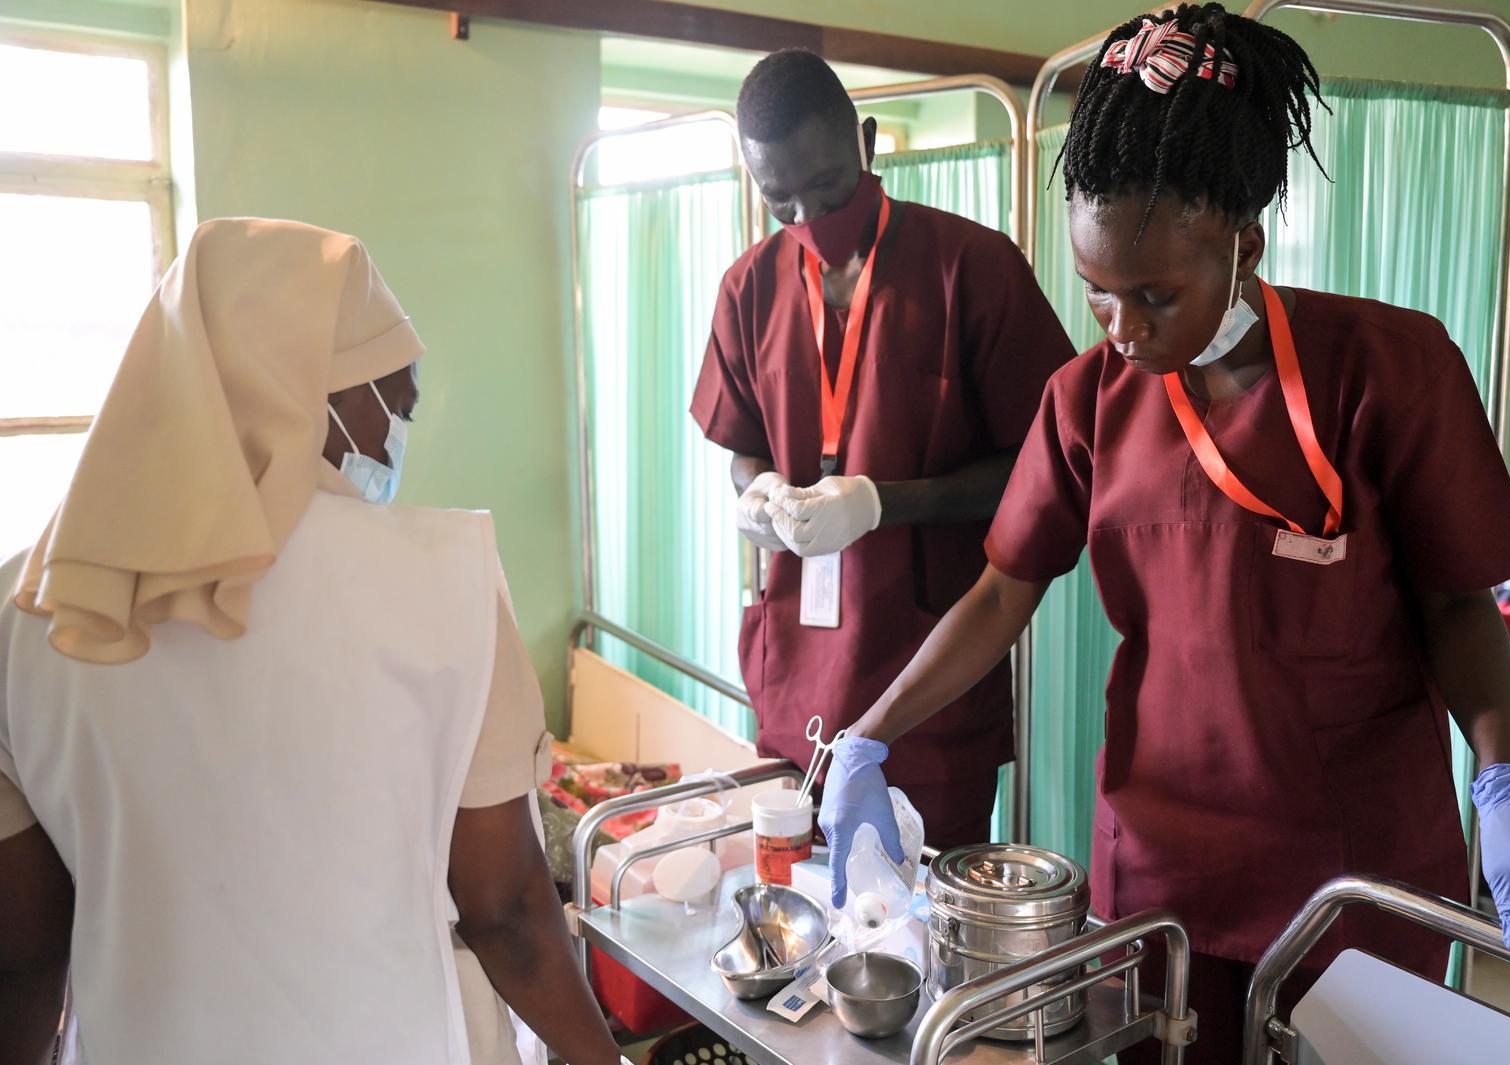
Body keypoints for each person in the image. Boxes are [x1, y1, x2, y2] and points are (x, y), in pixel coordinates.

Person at [818, 5, 1510, 1061]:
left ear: (1244, 242)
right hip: (1162, 865)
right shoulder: (1086, 399)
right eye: (1096, 296)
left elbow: (1458, 601)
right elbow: (1003, 589)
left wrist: (1504, 777)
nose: (1125, 332)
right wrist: (871, 732)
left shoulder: (1387, 369)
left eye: (1154, 296)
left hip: (1351, 871)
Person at [0, 219, 622, 1065]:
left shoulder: (32, 603)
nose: (398, 434)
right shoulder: (447, 578)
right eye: (394, 401)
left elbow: (25, 943)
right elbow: (505, 908)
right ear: (307, 391)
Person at [692, 49, 1075, 864]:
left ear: (867, 142)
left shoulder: (970, 270)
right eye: (779, 199)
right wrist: (755, 489)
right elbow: (740, 447)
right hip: (797, 676)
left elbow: (1047, 469)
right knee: (800, 922)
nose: (808, 214)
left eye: (829, 189)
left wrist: (882, 501)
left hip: (929, 684)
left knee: (920, 935)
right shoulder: (747, 288)